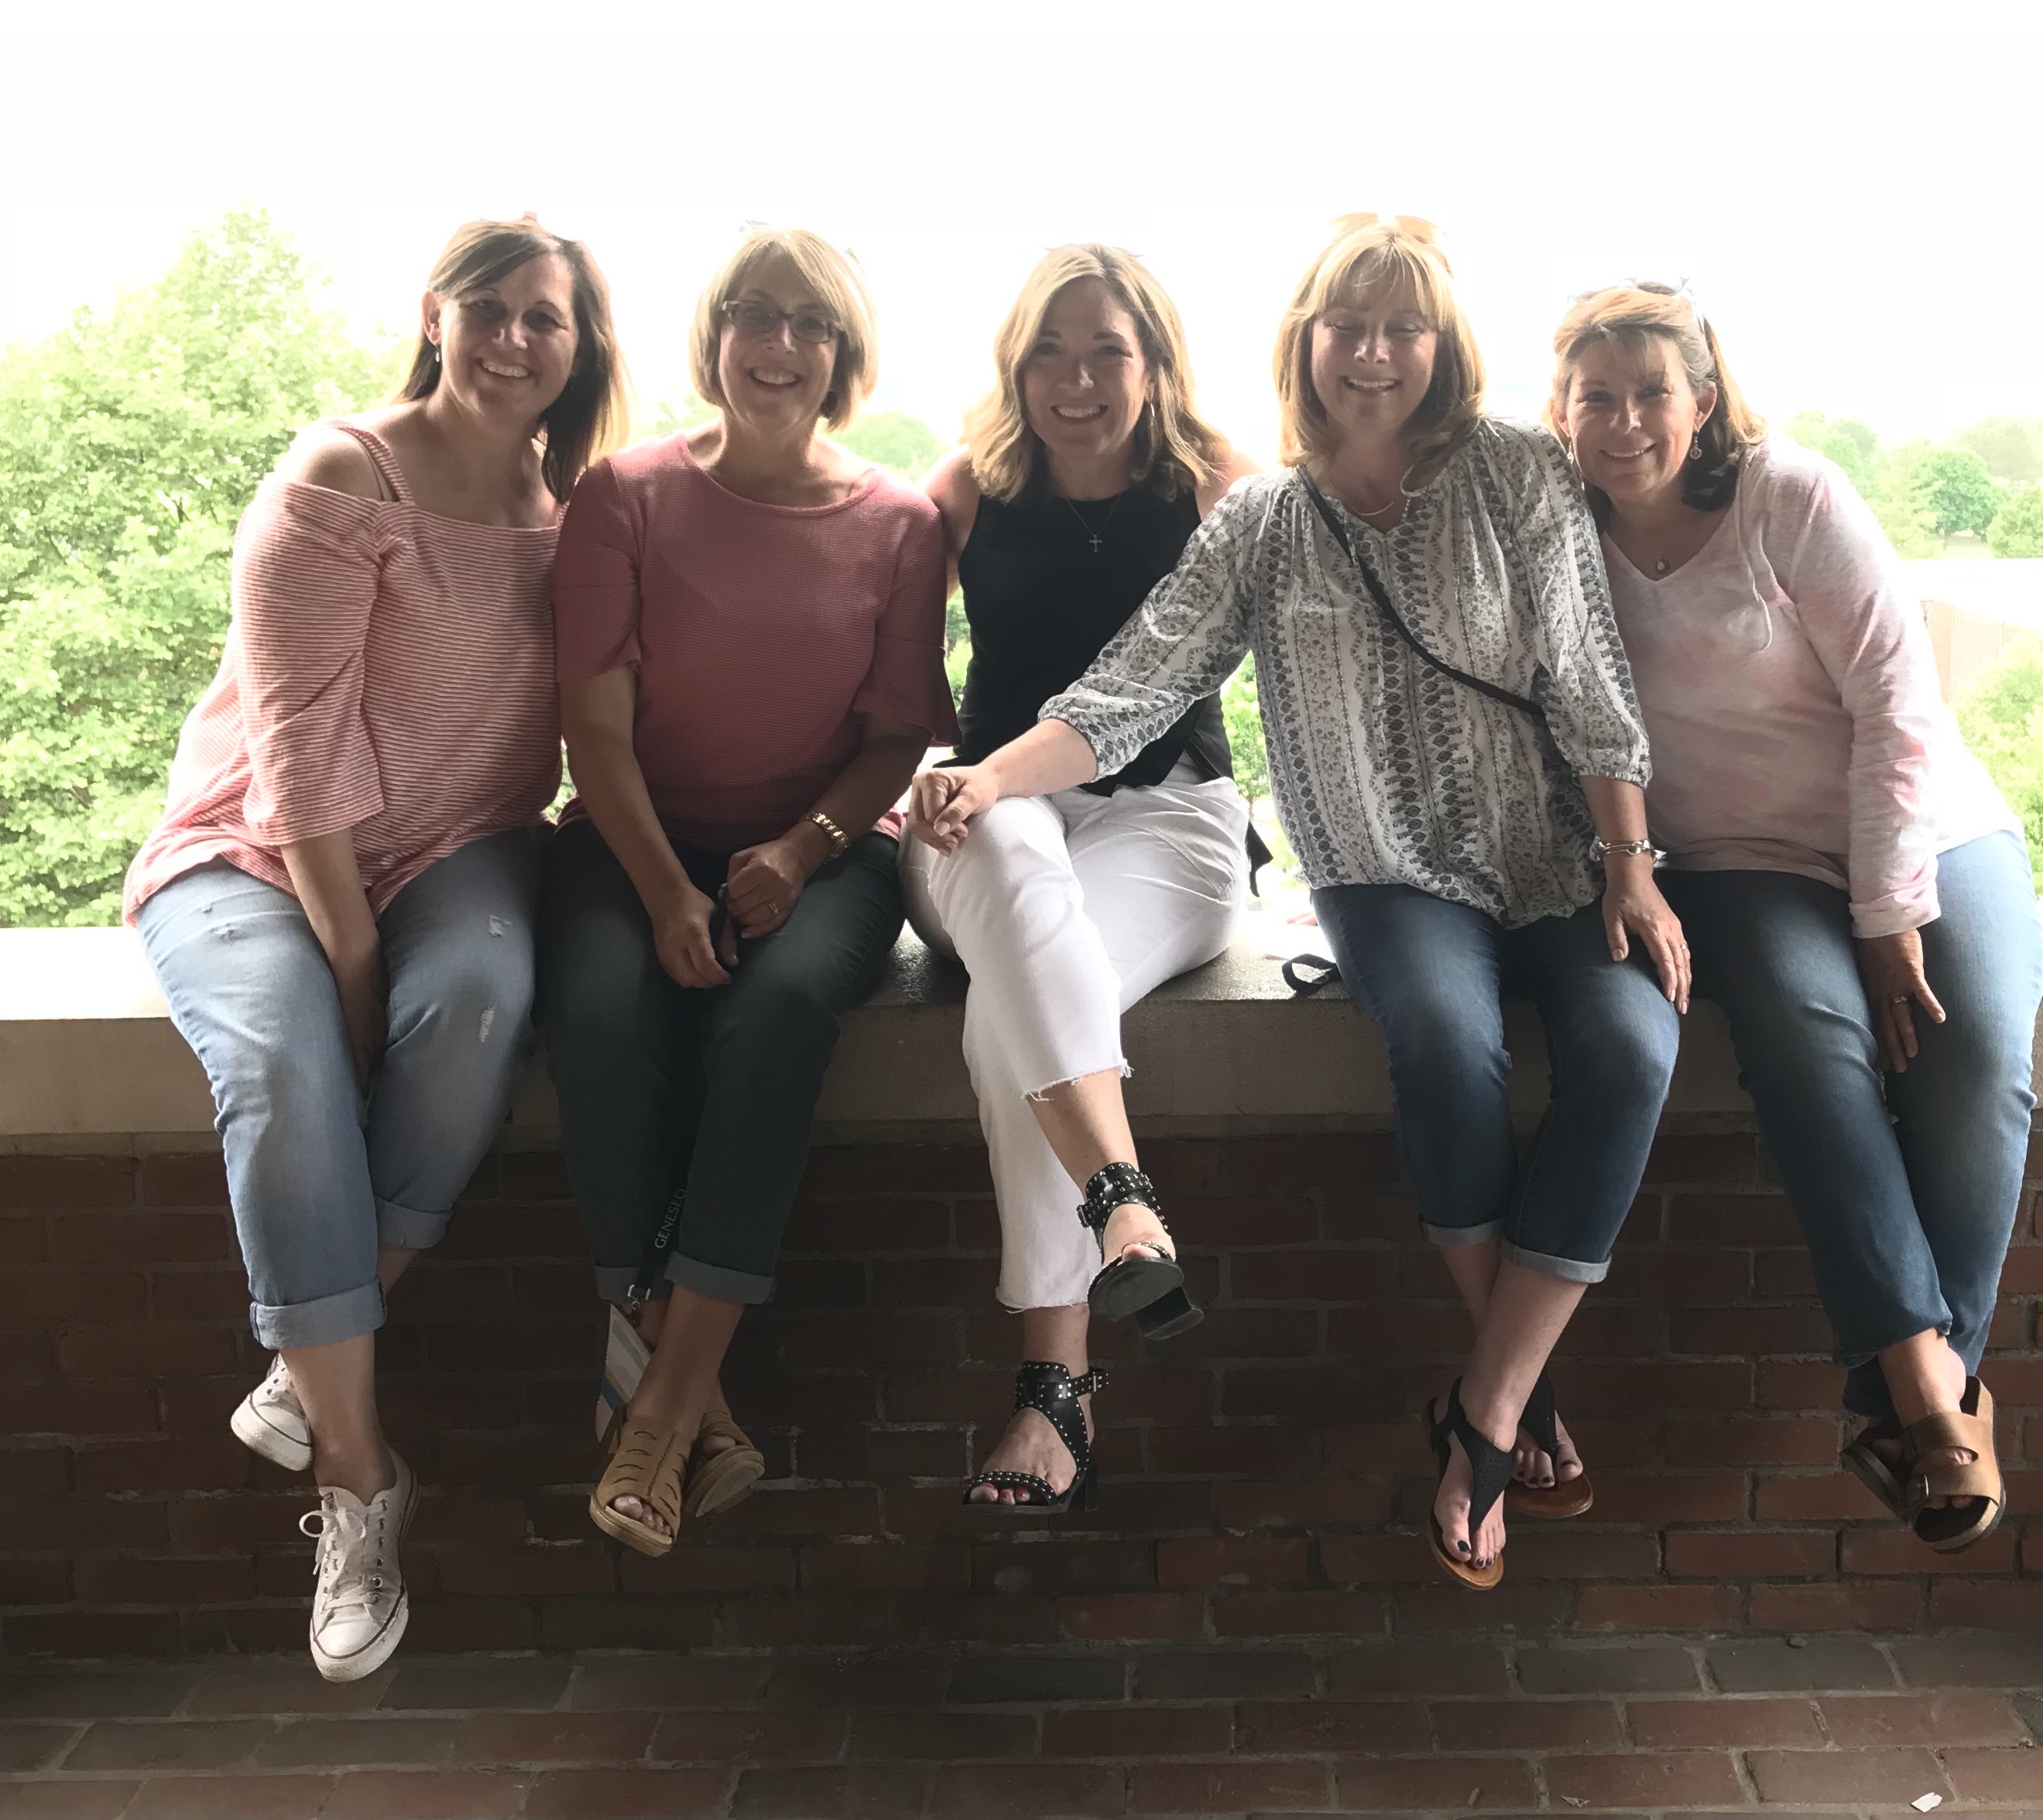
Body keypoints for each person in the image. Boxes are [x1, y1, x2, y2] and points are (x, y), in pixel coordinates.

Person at [914, 217, 1688, 1586]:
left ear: (1441, 347)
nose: (1374, 352)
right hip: (1384, 870)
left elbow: (1583, 669)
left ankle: (1492, 1396)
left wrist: (1630, 856)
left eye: (1402, 327)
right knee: (1448, 1047)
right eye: (1348, 325)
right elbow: (1132, 686)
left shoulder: (1516, 469)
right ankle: (1508, 1390)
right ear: (1306, 344)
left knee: (1632, 1047)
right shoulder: (1264, 517)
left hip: (1549, 851)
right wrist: (987, 780)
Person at [126, 218, 627, 1679]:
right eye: (493, 308)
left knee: (475, 1004)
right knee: (283, 1065)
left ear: (580, 349)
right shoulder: (342, 477)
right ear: (436, 314)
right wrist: (349, 965)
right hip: (254, 848)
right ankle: (357, 1481)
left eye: (551, 319)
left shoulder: (568, 515)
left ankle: (310, 1353)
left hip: (461, 846)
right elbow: (292, 757)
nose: (518, 339)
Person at [1549, 283, 2038, 1551]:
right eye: (1594, 395)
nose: (1622, 421)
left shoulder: (1793, 497)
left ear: (1701, 400)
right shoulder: (1555, 530)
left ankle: (1913, 1390)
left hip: (1928, 827)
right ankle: (1937, 1398)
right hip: (1738, 857)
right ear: (1560, 410)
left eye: (1650, 391)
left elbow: (1896, 706)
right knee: (1812, 1044)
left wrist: (1889, 913)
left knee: (1974, 1048)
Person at [540, 227, 955, 1558]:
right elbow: (592, 731)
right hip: (628, 836)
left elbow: (900, 735)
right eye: (754, 316)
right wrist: (669, 892)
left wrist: (803, 847)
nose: (780, 347)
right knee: (601, 1017)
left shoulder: (901, 525)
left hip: (827, 849)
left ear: (843, 355)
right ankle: (692, 1397)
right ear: (715, 335)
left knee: (773, 1020)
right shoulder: (624, 496)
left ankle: (651, 1405)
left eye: (811, 325)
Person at [902, 245, 1262, 1513]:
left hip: (1174, 820)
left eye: (1108, 349)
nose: (1077, 378)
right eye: (1049, 351)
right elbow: (887, 689)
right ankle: (1122, 1202)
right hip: (984, 817)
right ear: (1015, 367)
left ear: (1156, 363)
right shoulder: (960, 492)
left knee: (1029, 1004)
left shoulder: (1222, 492)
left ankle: (1057, 1383)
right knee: (1005, 859)